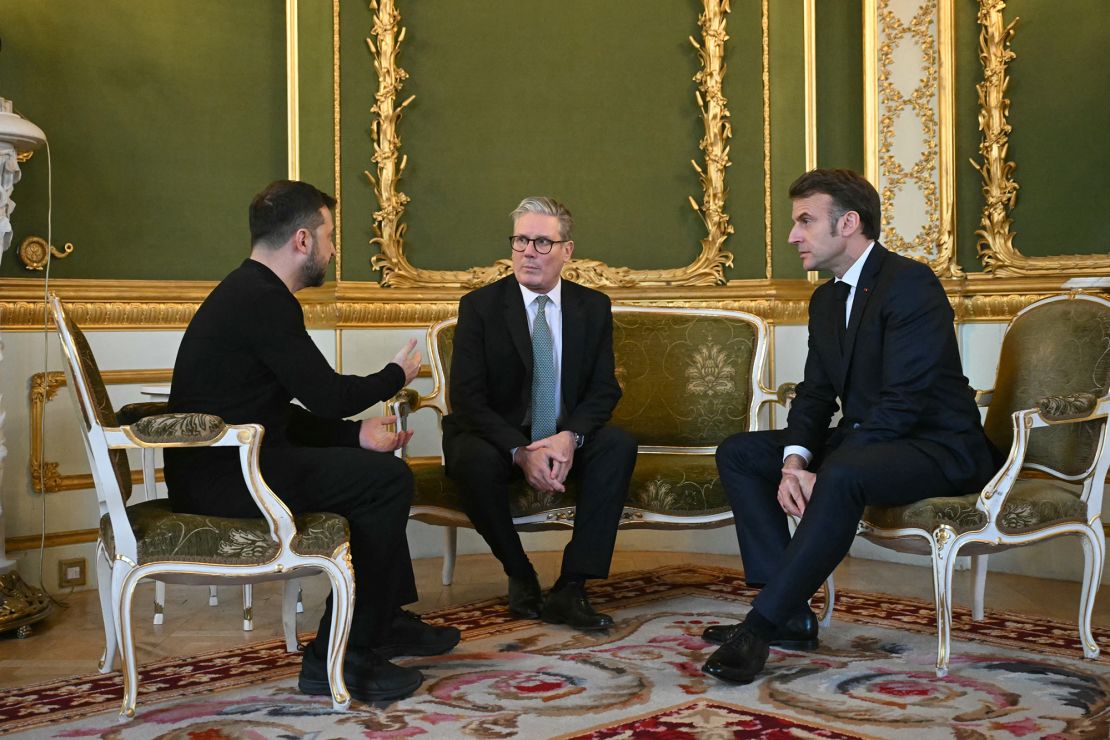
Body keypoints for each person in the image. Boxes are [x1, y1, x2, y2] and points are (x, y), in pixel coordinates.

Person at [164, 180, 459, 703]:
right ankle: (336, 656)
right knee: (386, 482)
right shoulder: (262, 300)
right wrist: (397, 373)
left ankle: (383, 619)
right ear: (302, 240)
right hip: (228, 478)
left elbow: (275, 413)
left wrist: (356, 436)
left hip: (233, 462)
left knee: (376, 472)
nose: (332, 248)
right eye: (329, 235)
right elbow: (327, 395)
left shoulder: (250, 291)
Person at [702, 169, 1001, 683]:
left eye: (804, 221)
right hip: (874, 440)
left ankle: (760, 627)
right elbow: (816, 394)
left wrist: (829, 466)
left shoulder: (910, 283)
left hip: (939, 446)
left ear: (849, 224)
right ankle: (790, 612)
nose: (793, 236)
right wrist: (795, 461)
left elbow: (905, 402)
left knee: (842, 474)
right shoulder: (824, 299)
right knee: (741, 453)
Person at [442, 196, 638, 631]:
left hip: (563, 433)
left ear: (567, 250)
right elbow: (468, 397)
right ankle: (520, 573)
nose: (529, 251)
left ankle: (572, 586)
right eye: (521, 240)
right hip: (496, 436)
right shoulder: (481, 306)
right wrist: (519, 450)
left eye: (542, 243)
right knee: (468, 457)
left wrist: (571, 437)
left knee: (618, 445)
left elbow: (604, 388)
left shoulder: (592, 307)